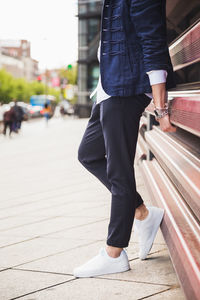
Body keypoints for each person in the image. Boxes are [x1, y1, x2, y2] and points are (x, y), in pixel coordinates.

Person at [73, 0, 177, 277]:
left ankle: (114, 252)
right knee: (89, 154)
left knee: (119, 172)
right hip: (109, 90)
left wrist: (161, 107)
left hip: (125, 90)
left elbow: (152, 40)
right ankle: (143, 212)